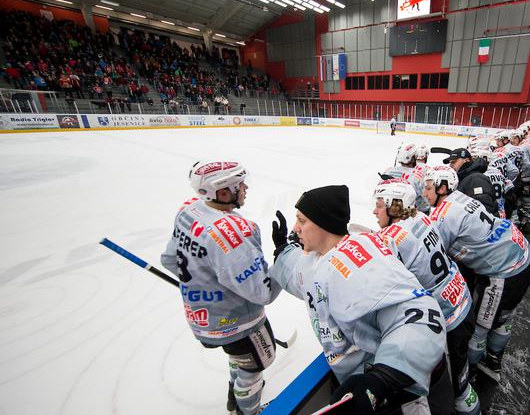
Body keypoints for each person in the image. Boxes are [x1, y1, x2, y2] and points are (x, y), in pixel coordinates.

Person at [270, 185, 450, 414]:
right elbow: (300, 275)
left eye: (302, 221)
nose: (295, 229)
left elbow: (421, 315)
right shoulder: (314, 259)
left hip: (391, 394)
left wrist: (383, 378)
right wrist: (284, 251)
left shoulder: (359, 263)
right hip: (352, 382)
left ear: (323, 223)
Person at [161, 160, 281, 415]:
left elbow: (169, 259)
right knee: (254, 367)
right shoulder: (235, 232)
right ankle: (247, 410)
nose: (246, 187)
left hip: (203, 319)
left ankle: (233, 396)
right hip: (241, 322)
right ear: (222, 192)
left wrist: (202, 286)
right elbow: (263, 291)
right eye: (239, 184)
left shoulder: (188, 211)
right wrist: (284, 258)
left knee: (238, 357)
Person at [372, 178, 481, 414]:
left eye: (379, 204)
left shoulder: (389, 238)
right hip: (462, 299)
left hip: (449, 322)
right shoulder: (421, 216)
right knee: (462, 373)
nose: (374, 210)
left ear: (394, 206)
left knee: (457, 390)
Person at [423, 166, 530, 384]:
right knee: (503, 316)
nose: (424, 193)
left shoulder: (441, 216)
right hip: (522, 252)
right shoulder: (459, 198)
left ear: (442, 187)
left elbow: (434, 256)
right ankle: (493, 359)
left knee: (479, 328)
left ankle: (472, 373)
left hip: (506, 271)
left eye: (428, 188)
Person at [444, 148, 498, 216]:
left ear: (466, 160)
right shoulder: (465, 178)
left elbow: (484, 212)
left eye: (453, 162)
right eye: (450, 163)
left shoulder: (476, 179)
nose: (450, 166)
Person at [383, 144, 430, 213]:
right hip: (409, 212)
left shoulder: (388, 171)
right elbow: (425, 197)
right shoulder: (418, 175)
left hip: (389, 210)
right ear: (413, 158)